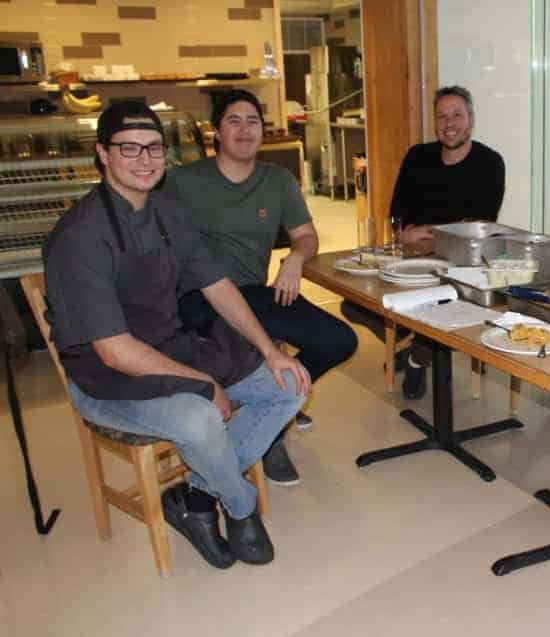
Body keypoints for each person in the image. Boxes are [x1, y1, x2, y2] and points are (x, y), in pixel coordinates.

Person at [43, 101, 311, 569]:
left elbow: (215, 283)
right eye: (130, 148)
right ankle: (242, 507)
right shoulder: (79, 236)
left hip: (168, 346)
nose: (145, 159)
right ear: (103, 154)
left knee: (289, 385)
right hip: (106, 377)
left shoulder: (168, 209)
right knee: (199, 419)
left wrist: (271, 352)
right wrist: (203, 384)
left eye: (153, 148)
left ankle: (196, 500)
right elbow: (114, 350)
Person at [168, 89, 358, 486]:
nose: (244, 129)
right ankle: (271, 430)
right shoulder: (182, 181)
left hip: (255, 294)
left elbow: (306, 236)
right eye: (233, 121)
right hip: (198, 299)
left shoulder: (277, 180)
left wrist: (294, 258)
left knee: (339, 340)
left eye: (252, 121)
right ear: (216, 132)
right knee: (247, 348)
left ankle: (276, 407)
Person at [341, 85, 505, 400]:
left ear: (470, 119)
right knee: (354, 302)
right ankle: (411, 340)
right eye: (441, 116)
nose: (449, 123)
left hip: (461, 265)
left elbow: (475, 227)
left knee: (448, 304)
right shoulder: (418, 156)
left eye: (457, 115)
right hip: (412, 259)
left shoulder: (489, 163)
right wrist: (410, 233)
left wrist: (426, 230)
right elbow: (398, 219)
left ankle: (417, 357)